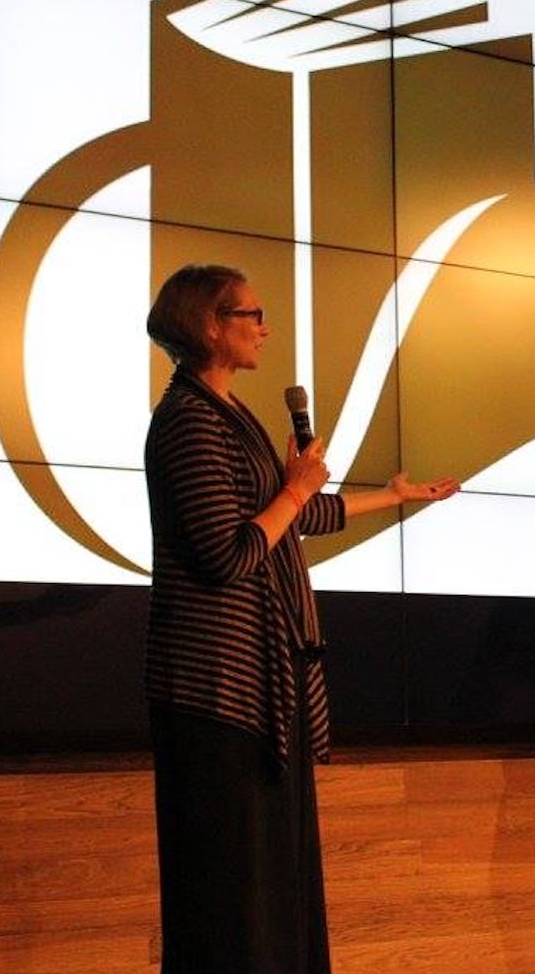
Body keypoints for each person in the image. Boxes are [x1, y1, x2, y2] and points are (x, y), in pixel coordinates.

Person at [143, 263, 459, 973]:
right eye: (251, 314)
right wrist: (293, 490)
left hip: (261, 684)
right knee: (229, 887)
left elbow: (293, 514)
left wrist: (394, 496)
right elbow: (229, 554)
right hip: (216, 689)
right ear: (209, 324)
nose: (265, 326)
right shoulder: (189, 422)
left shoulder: (230, 414)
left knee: (274, 879)